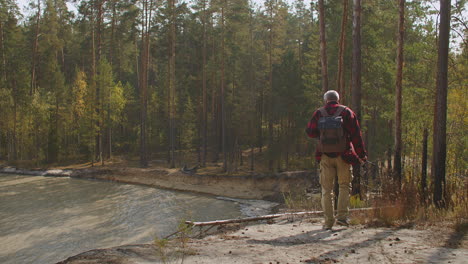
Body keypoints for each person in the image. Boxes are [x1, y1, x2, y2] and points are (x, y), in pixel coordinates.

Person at [306, 90, 367, 230]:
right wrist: (361, 155)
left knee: (326, 190)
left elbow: (310, 132)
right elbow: (356, 135)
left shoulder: (319, 113)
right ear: (338, 99)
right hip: (344, 155)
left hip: (325, 155)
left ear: (325, 100)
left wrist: (322, 135)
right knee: (344, 186)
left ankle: (328, 222)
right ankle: (342, 218)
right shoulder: (347, 112)